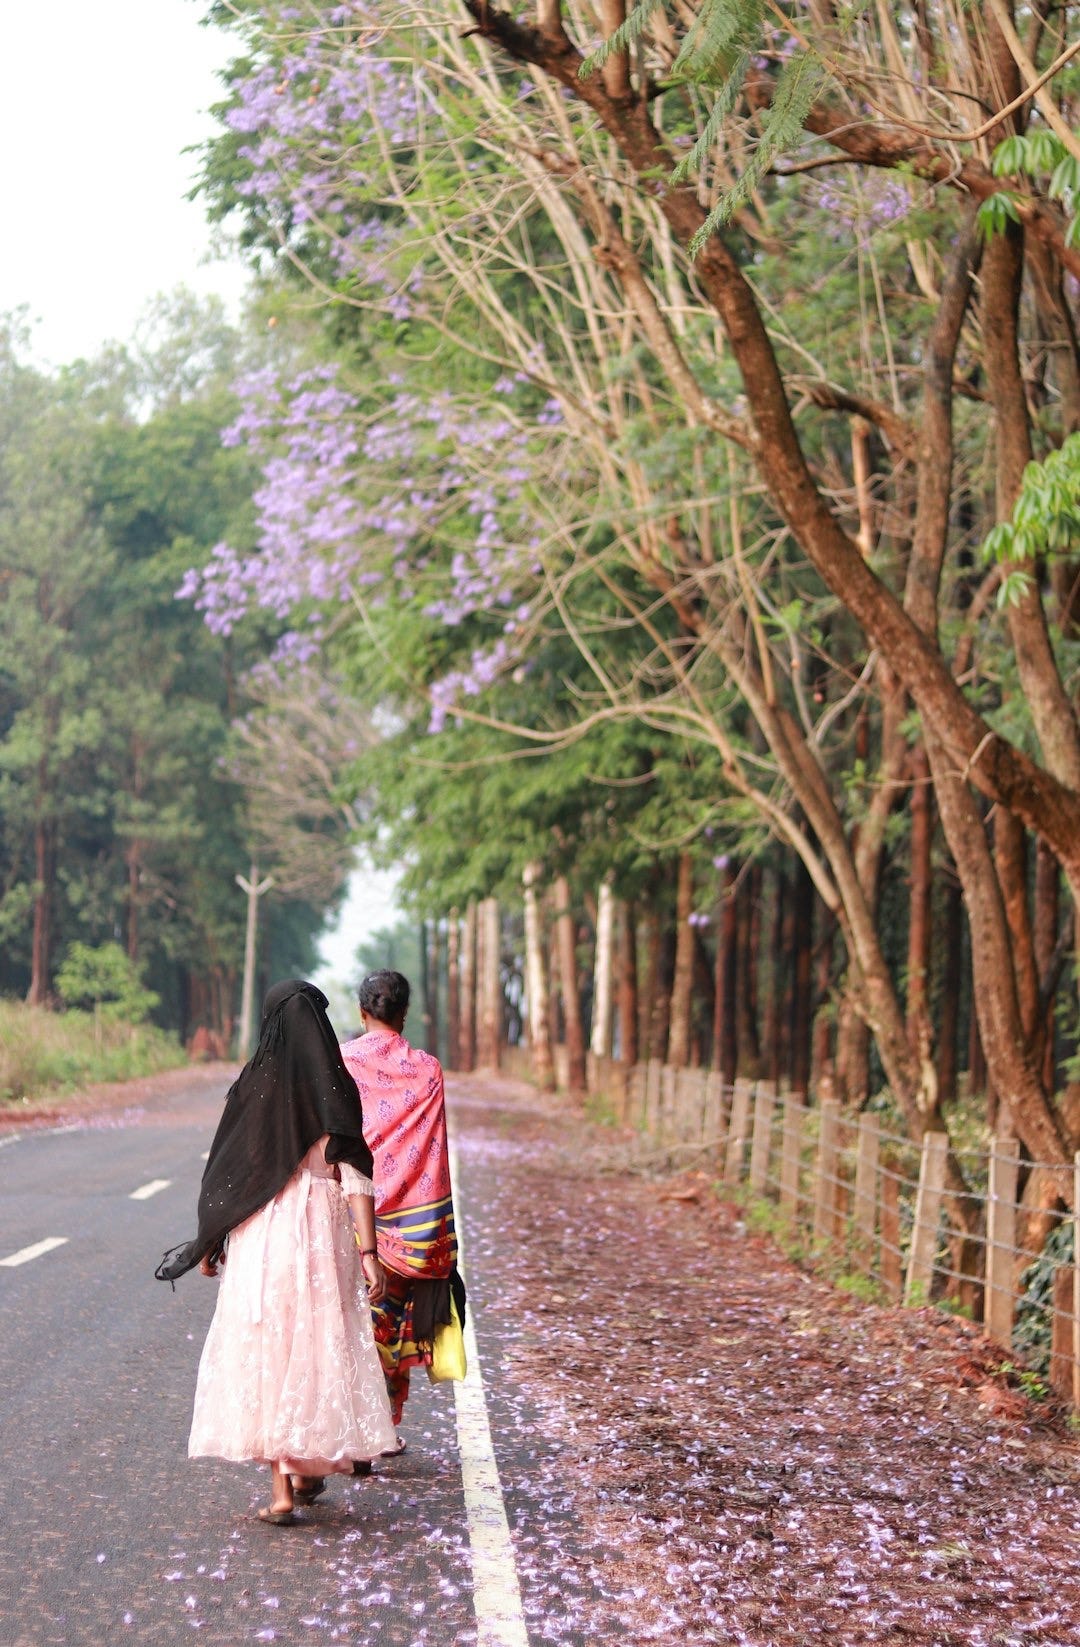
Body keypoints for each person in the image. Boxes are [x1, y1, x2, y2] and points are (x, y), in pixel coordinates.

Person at [156, 979, 397, 1524]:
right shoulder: (336, 1090)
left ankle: (283, 1490)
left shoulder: (251, 1089)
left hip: (263, 1234)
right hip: (321, 1232)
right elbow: (356, 1176)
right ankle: (306, 1466)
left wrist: (211, 1239)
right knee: (313, 1343)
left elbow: (230, 1176)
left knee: (271, 1346)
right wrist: (368, 1251)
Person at [340, 970, 462, 1445]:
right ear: (404, 1013)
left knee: (357, 1322)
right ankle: (382, 1425)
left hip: (356, 1212)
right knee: (388, 1323)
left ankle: (362, 1429)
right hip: (413, 1222)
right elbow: (434, 1148)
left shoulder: (340, 1062)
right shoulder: (429, 1068)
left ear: (362, 1011)